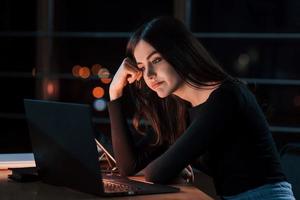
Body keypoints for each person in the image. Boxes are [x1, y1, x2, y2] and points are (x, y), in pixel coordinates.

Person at [107, 16, 295, 200]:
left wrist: (174, 166)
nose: (149, 74)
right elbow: (128, 166)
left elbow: (156, 174)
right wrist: (114, 92)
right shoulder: (178, 108)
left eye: (156, 60)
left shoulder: (227, 96)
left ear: (180, 53)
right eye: (141, 66)